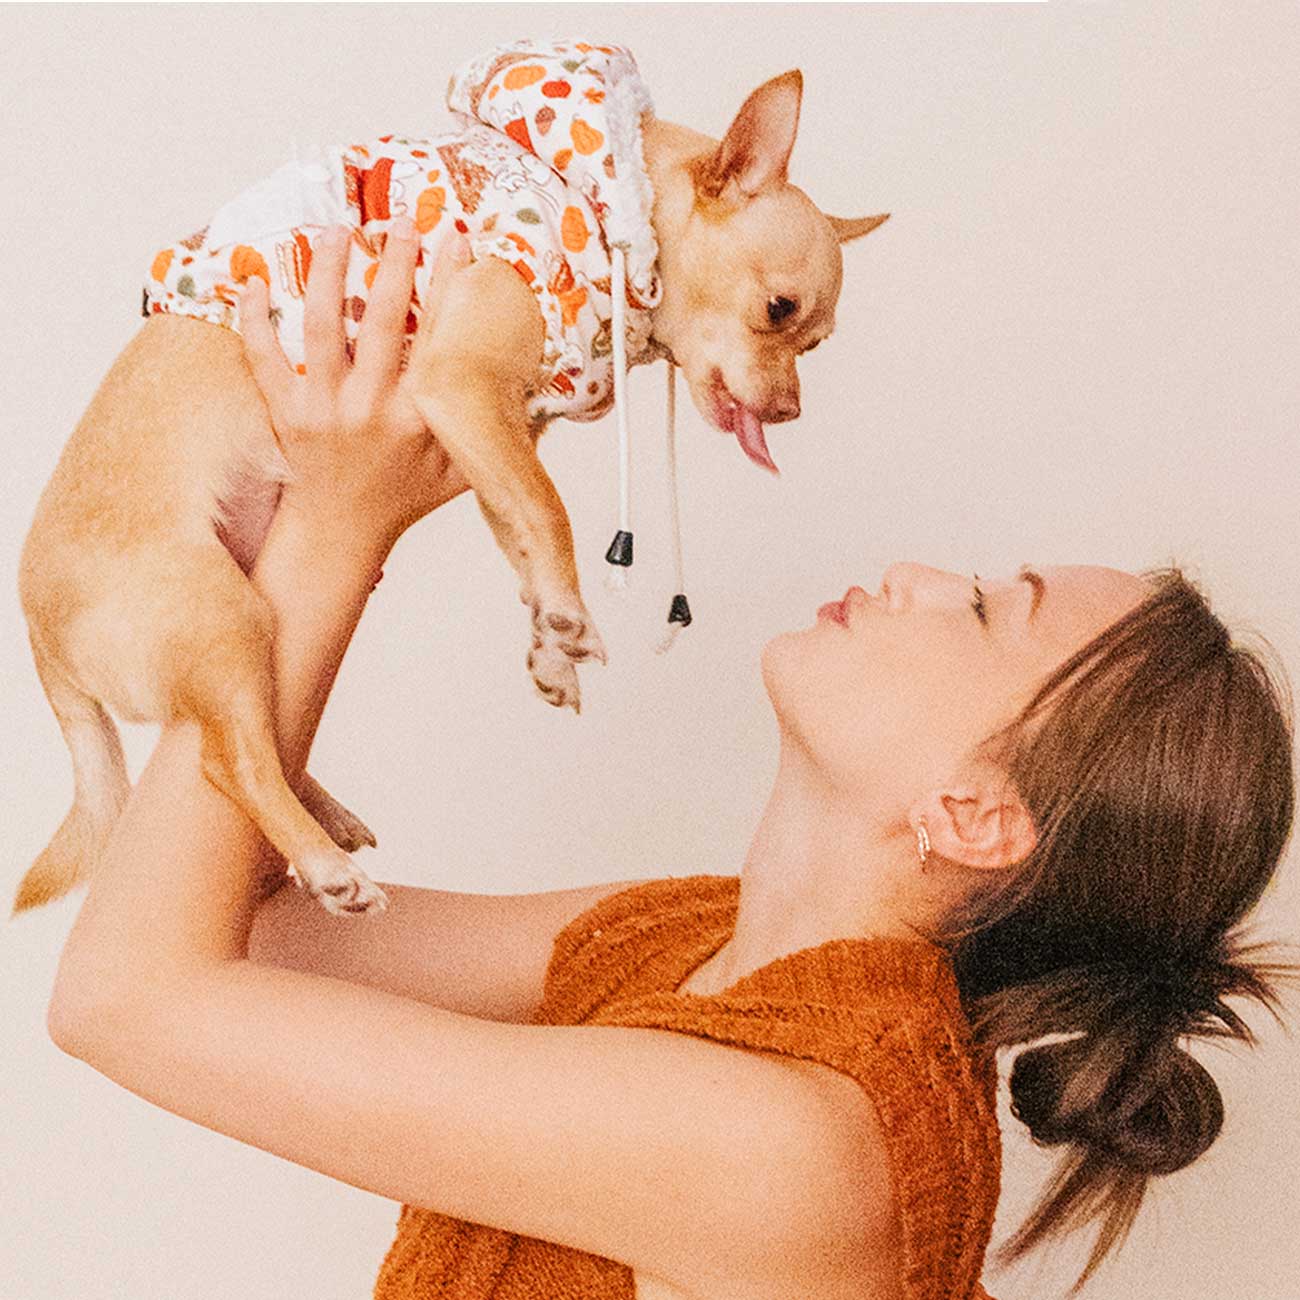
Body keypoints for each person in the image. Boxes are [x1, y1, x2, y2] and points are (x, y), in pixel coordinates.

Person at [45, 222, 1296, 1300]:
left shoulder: (799, 1140)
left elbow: (124, 998)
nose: (919, 575)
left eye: (976, 609)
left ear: (973, 815)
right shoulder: (685, 936)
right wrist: (294, 536)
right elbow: (230, 927)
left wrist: (336, 525)